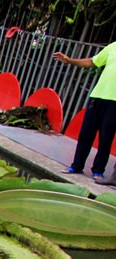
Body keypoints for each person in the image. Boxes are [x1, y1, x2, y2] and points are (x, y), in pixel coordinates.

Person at [54, 42, 116, 182]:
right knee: (86, 133)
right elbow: (92, 62)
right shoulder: (113, 47)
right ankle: (76, 166)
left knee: (106, 138)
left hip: (115, 102)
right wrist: (69, 60)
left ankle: (98, 170)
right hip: (97, 97)